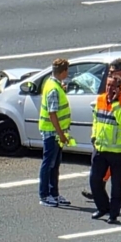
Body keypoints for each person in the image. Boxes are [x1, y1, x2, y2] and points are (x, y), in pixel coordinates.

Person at [81, 59, 121, 206]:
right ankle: (99, 190)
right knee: (105, 163)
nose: (110, 74)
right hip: (109, 134)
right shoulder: (114, 86)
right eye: (110, 71)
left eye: (113, 71)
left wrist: (117, 97)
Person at [89, 70, 121, 223]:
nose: (109, 89)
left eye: (113, 86)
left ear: (119, 89)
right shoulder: (100, 99)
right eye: (108, 85)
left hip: (117, 151)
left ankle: (113, 214)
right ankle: (103, 207)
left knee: (116, 186)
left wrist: (115, 103)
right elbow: (95, 119)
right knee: (94, 180)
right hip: (100, 148)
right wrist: (93, 135)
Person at [38, 58, 72, 207]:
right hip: (52, 132)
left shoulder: (53, 84)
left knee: (55, 164)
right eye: (67, 71)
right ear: (63, 72)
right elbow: (52, 114)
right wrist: (62, 134)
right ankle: (44, 195)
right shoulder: (53, 89)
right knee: (49, 164)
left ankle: (54, 193)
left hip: (55, 132)